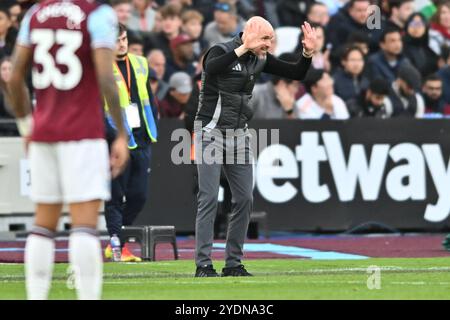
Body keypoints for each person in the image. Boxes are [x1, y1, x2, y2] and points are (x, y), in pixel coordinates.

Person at [0, 0, 129, 300]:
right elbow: (105, 77)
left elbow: (15, 77)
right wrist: (121, 133)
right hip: (83, 131)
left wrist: (25, 126)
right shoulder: (97, 14)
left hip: (44, 131)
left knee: (42, 225)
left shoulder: (35, 14)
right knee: (84, 225)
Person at [193, 17, 317, 277]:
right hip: (210, 132)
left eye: (271, 39)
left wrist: (307, 53)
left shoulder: (259, 58)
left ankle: (233, 263)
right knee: (208, 198)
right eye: (264, 39)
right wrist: (242, 49)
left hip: (239, 134)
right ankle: (203, 264)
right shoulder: (221, 50)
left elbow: (296, 72)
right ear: (248, 34)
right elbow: (211, 67)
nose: (269, 45)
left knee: (245, 198)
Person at [103, 23, 159, 263]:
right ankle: (118, 243)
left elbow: (147, 96)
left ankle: (117, 239)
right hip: (117, 139)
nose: (122, 43)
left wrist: (152, 124)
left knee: (139, 195)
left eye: (124, 38)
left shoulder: (140, 63)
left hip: (142, 136)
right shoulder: (100, 68)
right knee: (115, 195)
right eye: (117, 40)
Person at [403, 12, 438, 77]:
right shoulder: (401, 46)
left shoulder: (431, 47)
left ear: (426, 27)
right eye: (412, 24)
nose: (416, 28)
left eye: (419, 24)